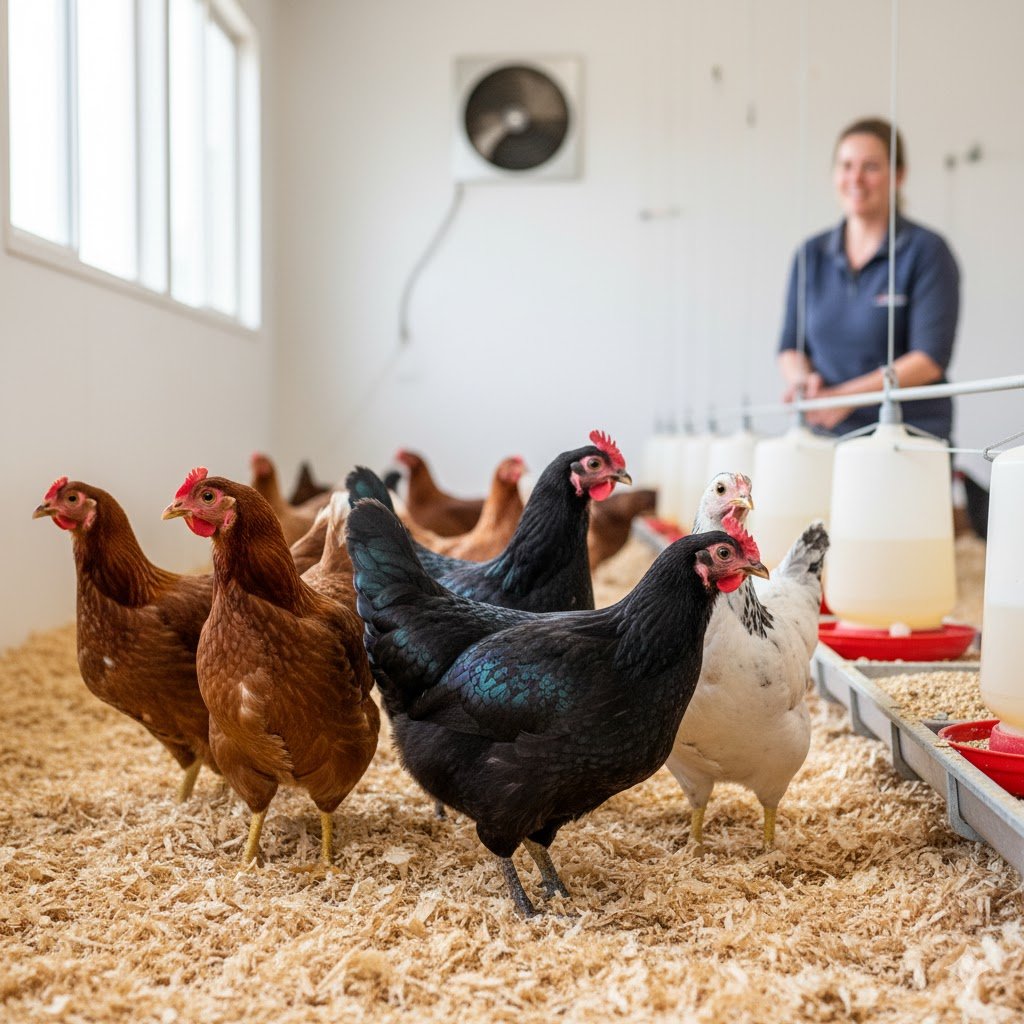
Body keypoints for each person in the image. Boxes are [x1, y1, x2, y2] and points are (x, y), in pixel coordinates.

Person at [778, 117, 960, 440]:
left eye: (871, 167)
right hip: (827, 437)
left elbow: (928, 359)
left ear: (898, 175)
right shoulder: (810, 254)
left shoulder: (927, 251)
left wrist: (848, 397)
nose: (856, 179)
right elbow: (791, 346)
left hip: (906, 438)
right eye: (846, 165)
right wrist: (803, 382)